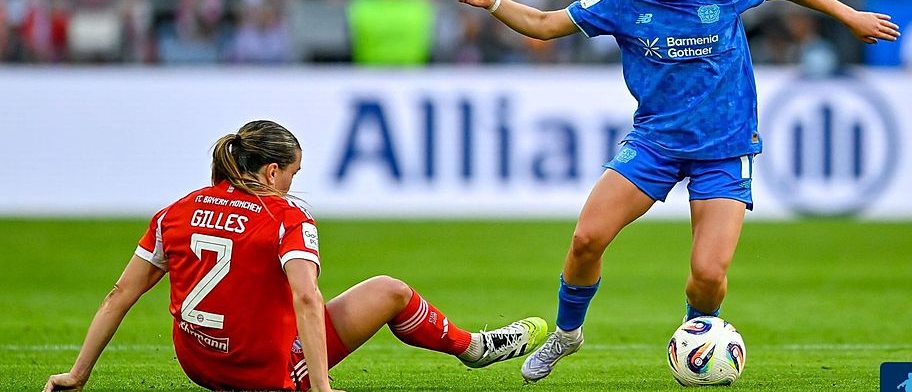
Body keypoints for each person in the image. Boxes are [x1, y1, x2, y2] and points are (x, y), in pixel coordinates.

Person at [452, 0, 899, 383]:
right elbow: (542, 23)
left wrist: (850, 16)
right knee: (585, 240)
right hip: (655, 144)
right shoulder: (620, 1)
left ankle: (696, 339)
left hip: (724, 149)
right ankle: (567, 335)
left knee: (708, 276)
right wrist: (493, 2)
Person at [44, 120, 547, 392]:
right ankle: (473, 349)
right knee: (391, 291)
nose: (292, 184)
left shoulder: (175, 211)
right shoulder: (286, 216)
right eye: (292, 172)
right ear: (268, 172)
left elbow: (118, 295)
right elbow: (307, 298)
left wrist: (78, 374)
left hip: (197, 365)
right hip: (263, 373)